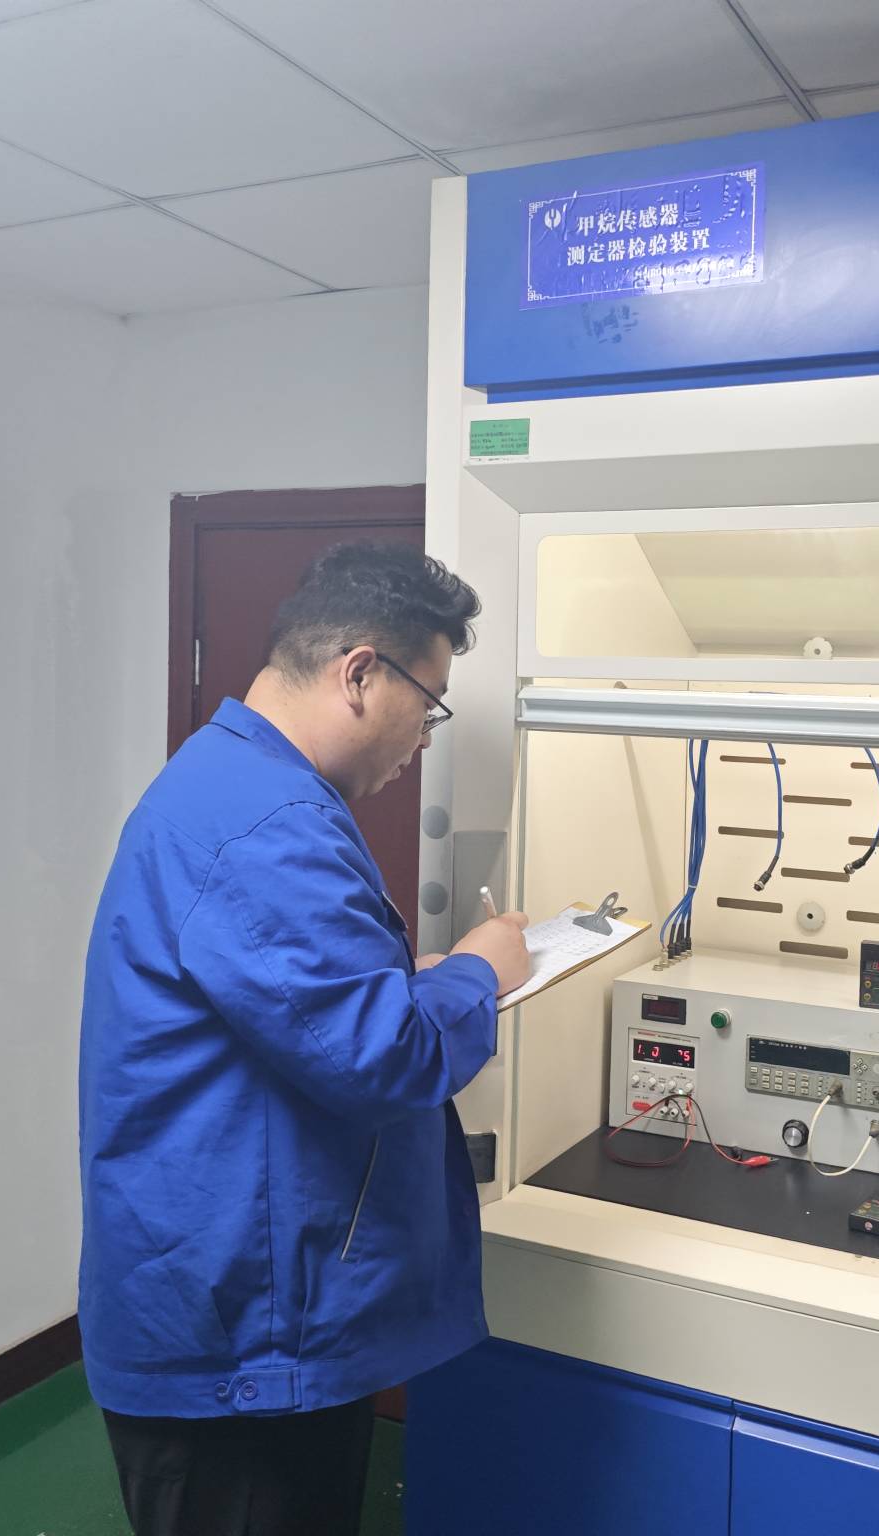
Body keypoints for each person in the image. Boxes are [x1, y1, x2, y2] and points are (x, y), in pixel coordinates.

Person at [77, 542, 531, 1535]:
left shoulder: (228, 780)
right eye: (429, 703)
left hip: (238, 1303)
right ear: (360, 672)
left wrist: (410, 982)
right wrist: (481, 971)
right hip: (241, 1338)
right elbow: (384, 1058)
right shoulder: (268, 823)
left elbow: (300, 1007)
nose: (423, 738)